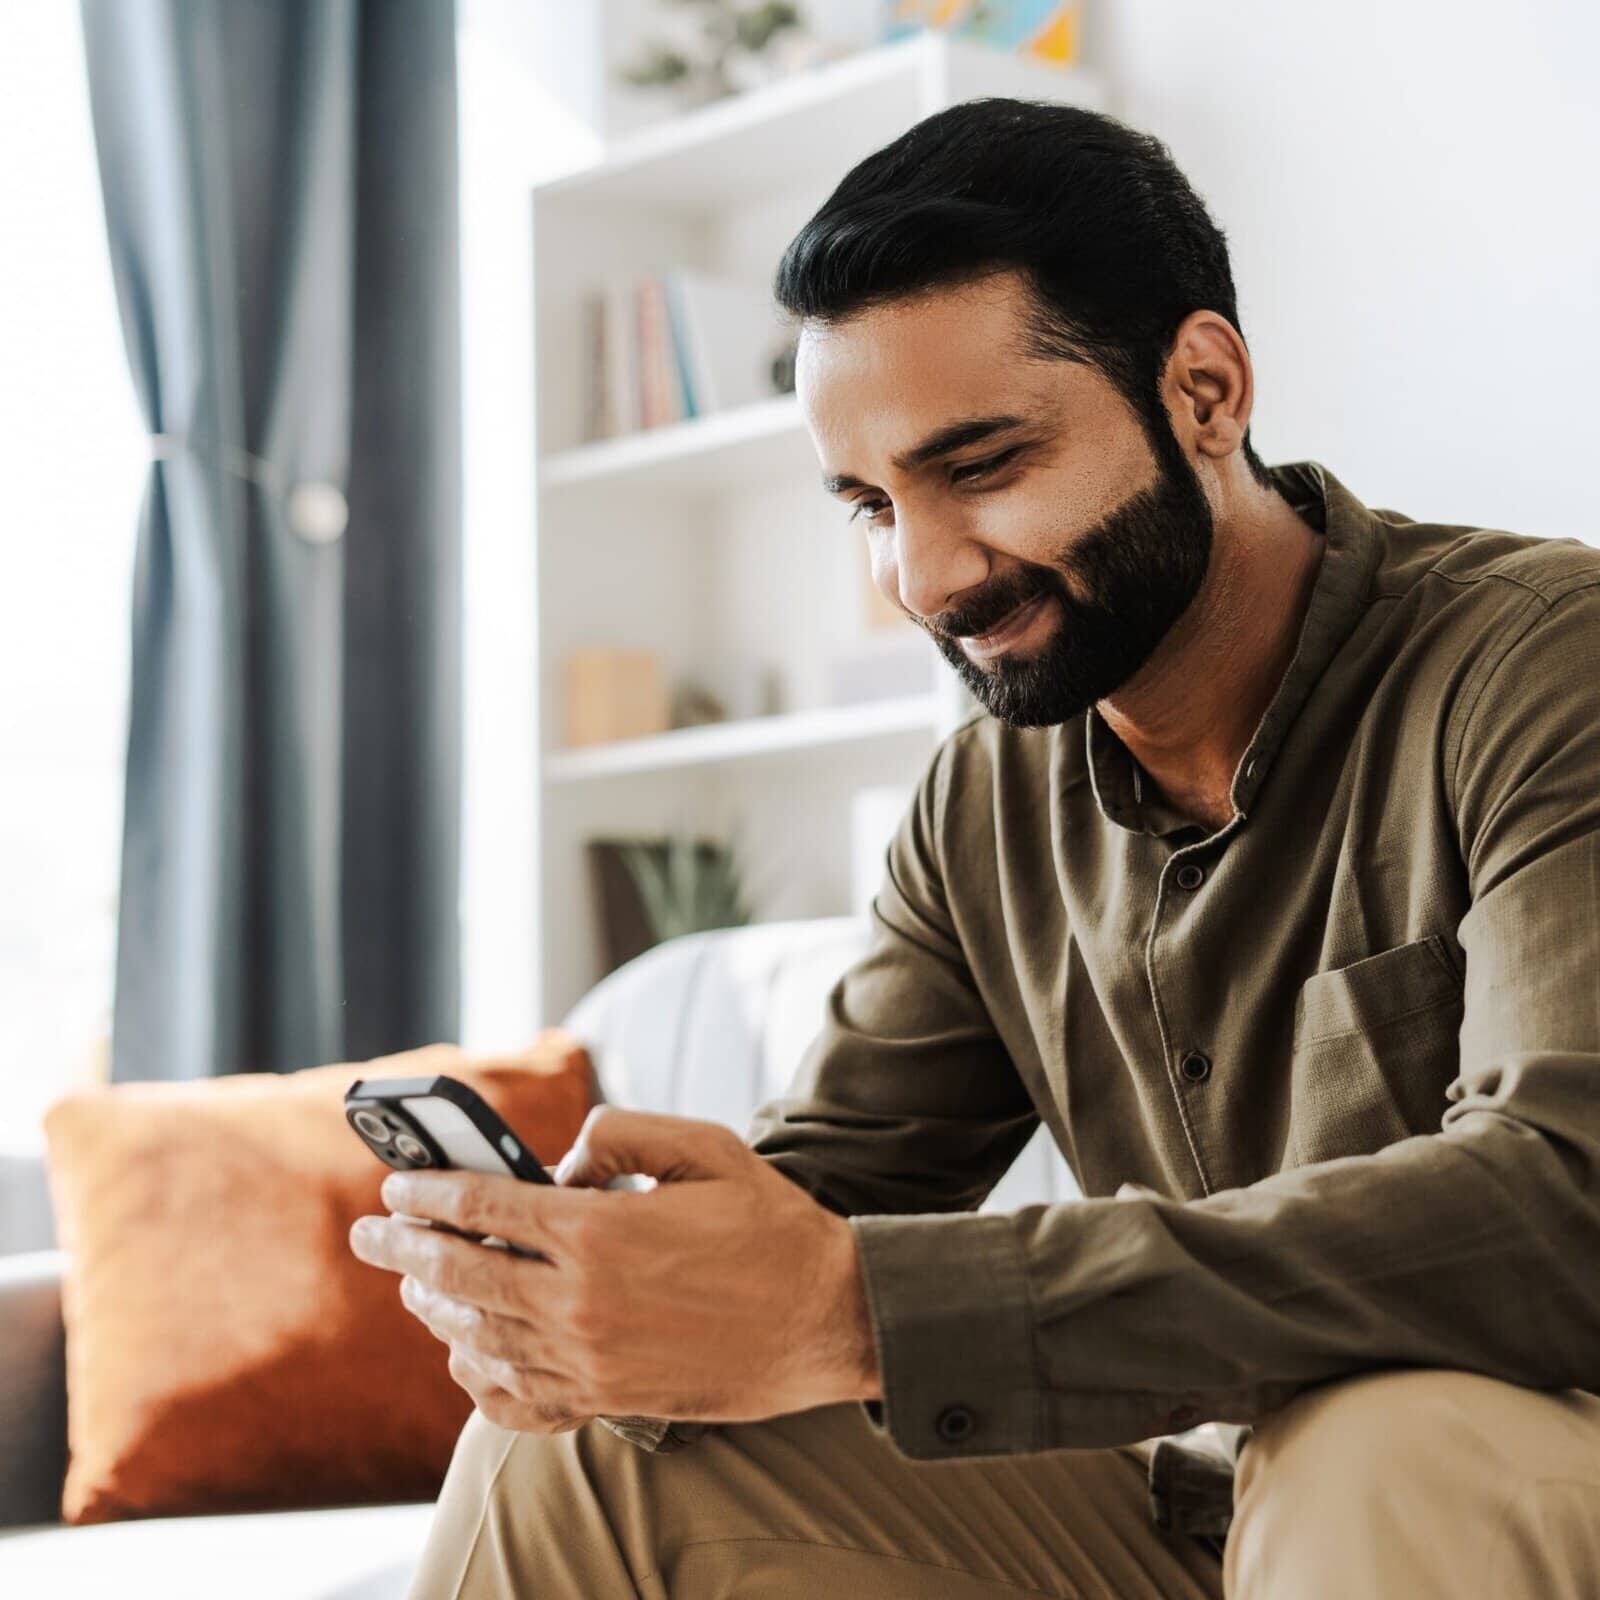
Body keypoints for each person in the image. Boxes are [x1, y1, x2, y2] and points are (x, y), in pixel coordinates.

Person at [349, 97, 1600, 1597]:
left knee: (1377, 1447)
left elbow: (1560, 1207)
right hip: (1200, 1514)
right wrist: (637, 1286)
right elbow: (833, 1202)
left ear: (1204, 389)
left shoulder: (1541, 666)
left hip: (1497, 1487)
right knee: (610, 1443)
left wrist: (860, 1315)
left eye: (984, 466)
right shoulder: (984, 804)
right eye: (872, 504)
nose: (924, 574)